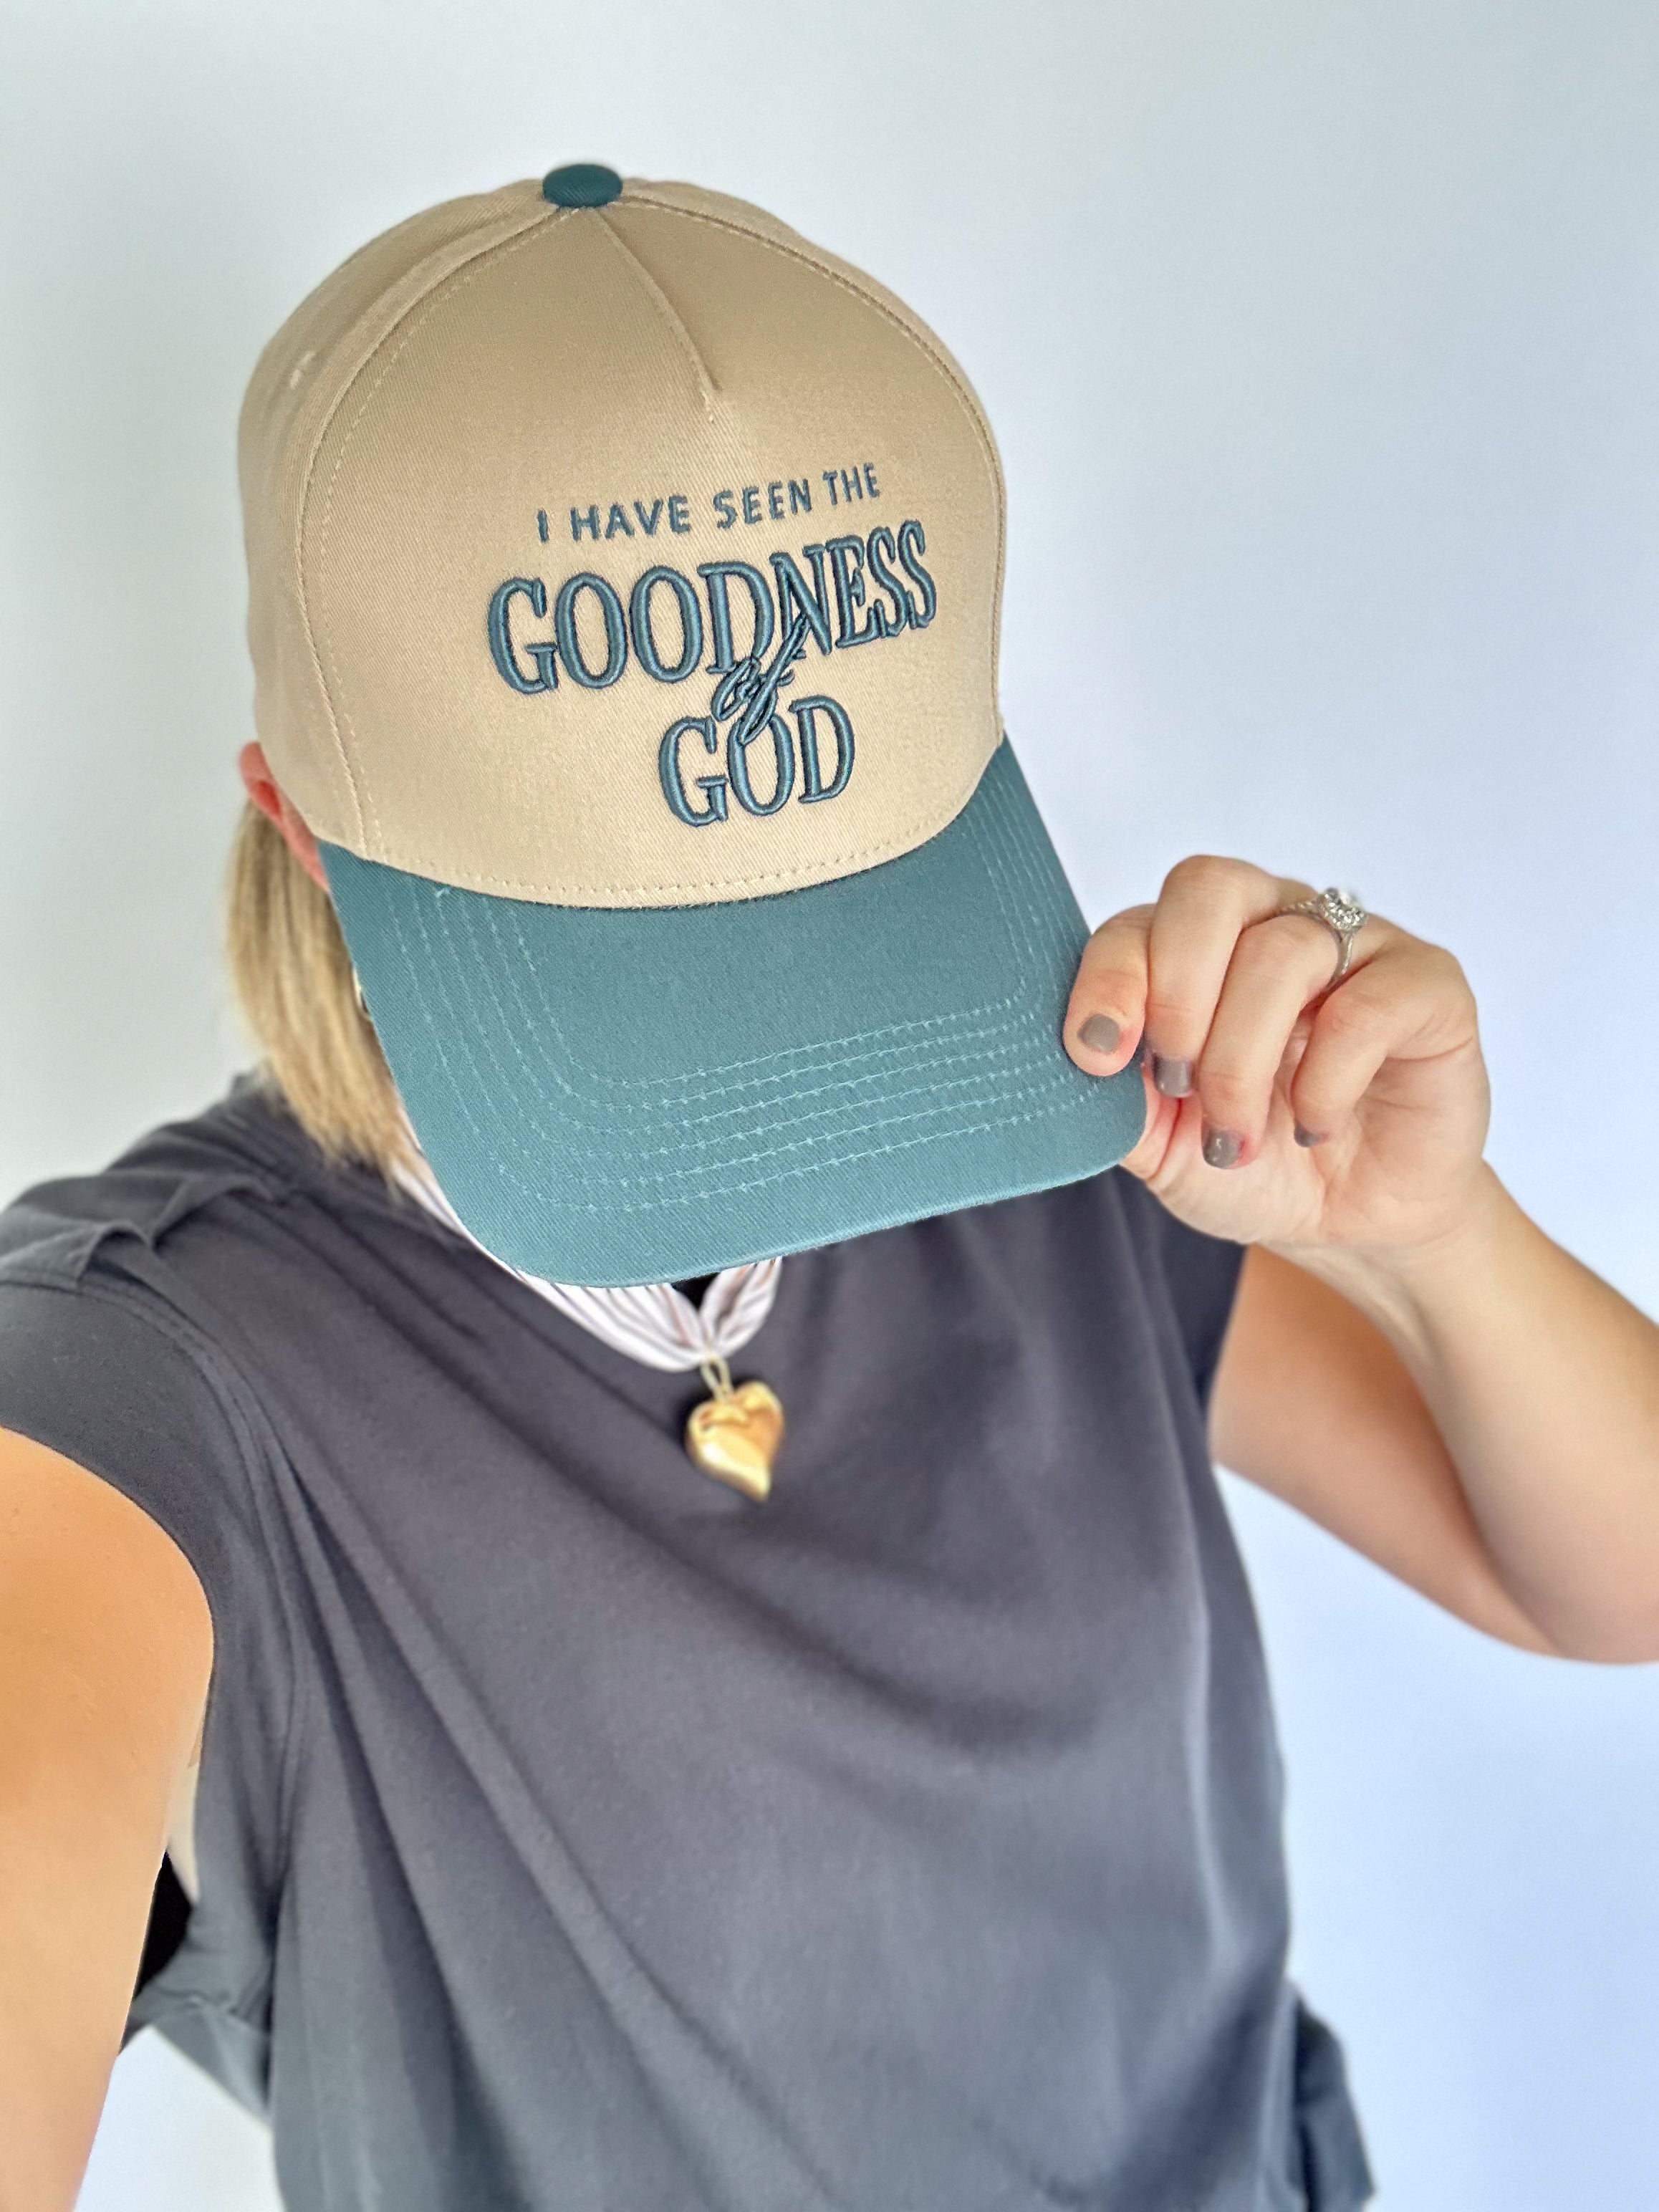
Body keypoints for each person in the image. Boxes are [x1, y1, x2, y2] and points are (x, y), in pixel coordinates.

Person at [3, 164, 1657, 2212]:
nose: (779, 1076)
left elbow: (1609, 1588)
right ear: (303, 820)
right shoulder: (145, 1384)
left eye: (837, 912)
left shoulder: (1056, 1116)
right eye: (628, 945)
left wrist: (1433, 1242)